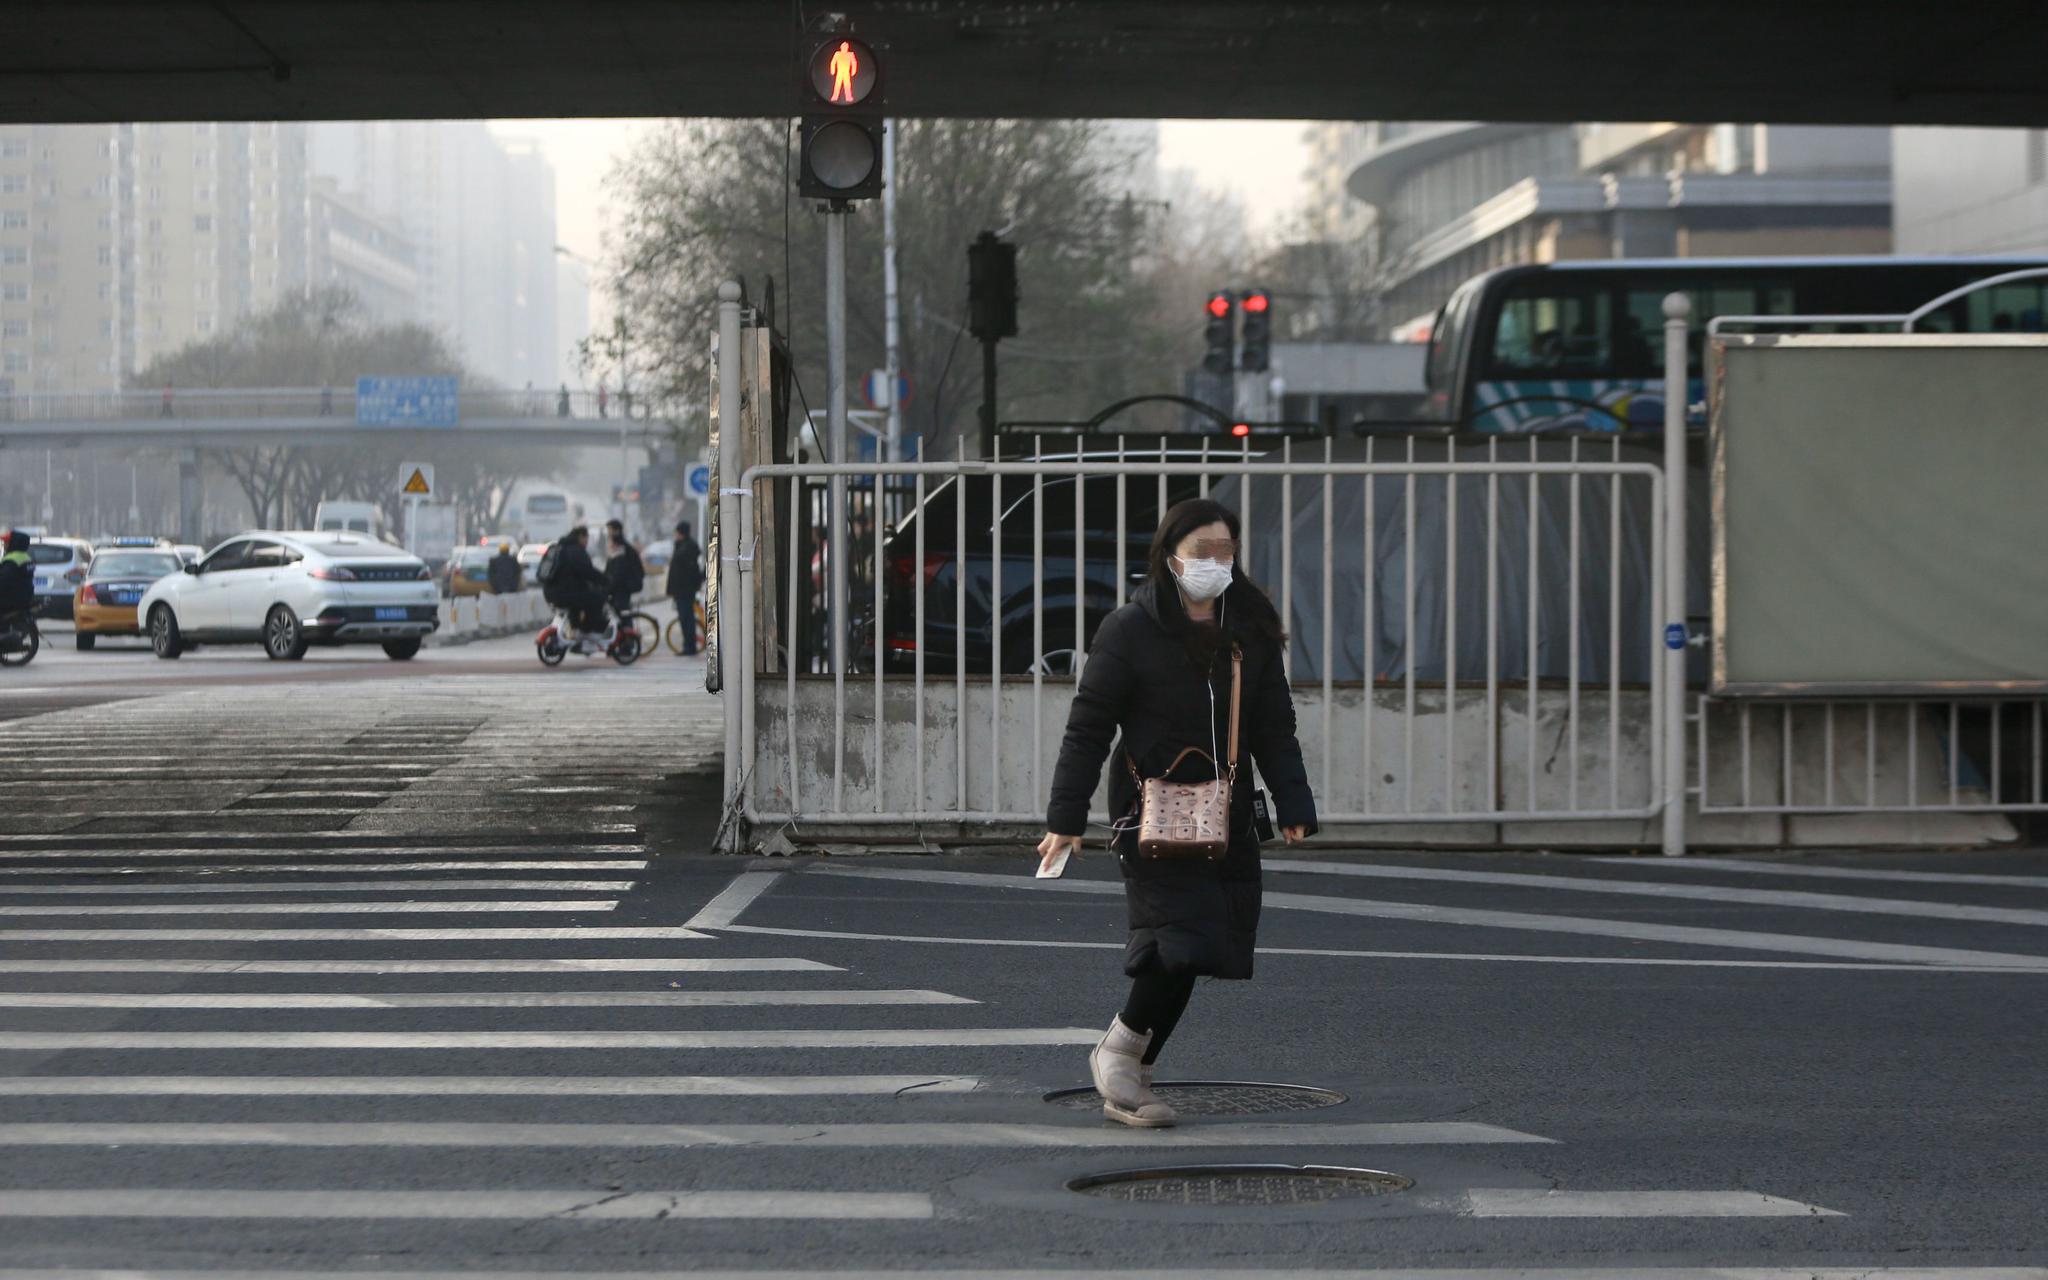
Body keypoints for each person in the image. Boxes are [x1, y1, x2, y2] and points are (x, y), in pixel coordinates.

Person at [1039, 498, 1316, 1129]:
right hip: (1151, 812)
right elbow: (1088, 729)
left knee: (1203, 943)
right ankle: (1118, 1054)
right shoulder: (1130, 630)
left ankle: (1135, 1066)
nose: (1215, 563)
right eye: (1201, 552)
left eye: (1226, 551)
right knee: (1178, 937)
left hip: (1225, 812)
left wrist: (1294, 802)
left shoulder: (1247, 629)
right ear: (1169, 556)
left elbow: (1274, 726)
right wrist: (1066, 818)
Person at [541, 525, 609, 636]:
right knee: (597, 598)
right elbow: (588, 572)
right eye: (586, 539)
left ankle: (575, 630)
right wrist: (606, 581)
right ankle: (589, 632)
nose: (587, 542)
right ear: (581, 537)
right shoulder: (576, 551)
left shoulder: (559, 548)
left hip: (549, 592)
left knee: (578, 600)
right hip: (564, 593)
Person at [667, 520, 704, 655]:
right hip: (681, 590)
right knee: (685, 618)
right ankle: (688, 645)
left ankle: (690, 647)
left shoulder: (687, 548)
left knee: (687, 619)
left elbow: (689, 571)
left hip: (685, 590)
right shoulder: (683, 546)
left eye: (677, 532)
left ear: (681, 533)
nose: (675, 535)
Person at [602, 519, 644, 621]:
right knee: (618, 614)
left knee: (623, 614)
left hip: (622, 588)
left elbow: (618, 572)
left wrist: (609, 585)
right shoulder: (617, 547)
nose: (608, 533)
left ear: (617, 531)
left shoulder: (622, 548)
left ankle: (628, 630)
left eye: (610, 530)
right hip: (617, 587)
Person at [0, 529, 33, 620]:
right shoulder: (26, 557)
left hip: (10, 599)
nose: (4, 544)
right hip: (24, 597)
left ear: (13, 544)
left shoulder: (12, 560)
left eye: (6, 542)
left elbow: (3, 581)